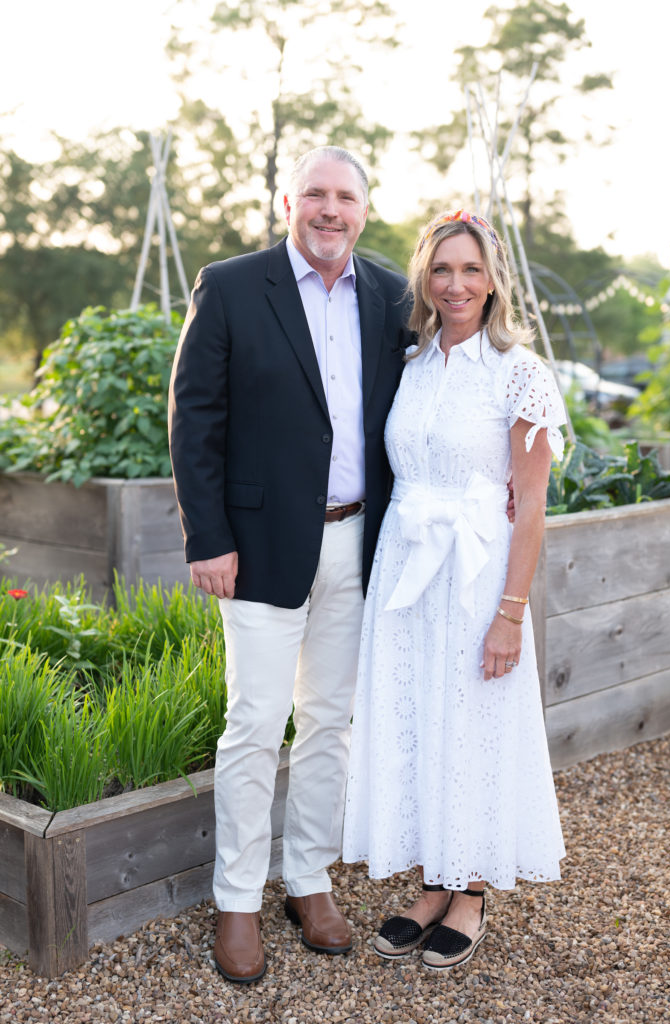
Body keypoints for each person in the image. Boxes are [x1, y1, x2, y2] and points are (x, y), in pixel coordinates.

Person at [168, 146, 412, 984]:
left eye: (345, 196)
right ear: (286, 203)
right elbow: (194, 413)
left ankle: (308, 881)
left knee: (329, 723)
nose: (330, 210)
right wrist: (208, 537)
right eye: (316, 194)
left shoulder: (391, 295)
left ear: (365, 210)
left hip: (357, 539)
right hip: (260, 544)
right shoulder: (232, 285)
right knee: (253, 722)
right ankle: (237, 898)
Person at [342, 209, 567, 972]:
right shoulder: (411, 363)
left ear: (494, 279)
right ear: (424, 279)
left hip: (477, 580)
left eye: (471, 269)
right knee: (418, 720)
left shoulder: (519, 373)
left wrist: (511, 614)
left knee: (471, 722)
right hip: (407, 575)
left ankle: (469, 888)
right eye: (443, 269)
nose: (457, 283)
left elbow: (530, 506)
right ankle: (433, 878)